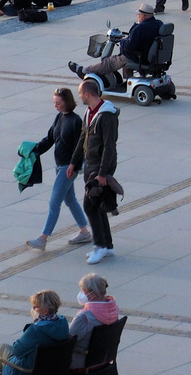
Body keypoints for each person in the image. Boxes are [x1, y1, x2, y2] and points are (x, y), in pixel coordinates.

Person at [26, 88, 92, 251]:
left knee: (54, 202)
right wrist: (34, 150)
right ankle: (85, 232)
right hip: (59, 165)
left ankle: (43, 238)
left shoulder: (76, 121)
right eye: (54, 102)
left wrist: (74, 165)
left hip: (68, 167)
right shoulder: (59, 117)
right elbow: (49, 139)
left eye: (58, 102)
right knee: (69, 199)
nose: (55, 105)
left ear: (67, 102)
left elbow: (81, 146)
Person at [70, 75, 120, 265]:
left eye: (81, 93)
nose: (79, 97)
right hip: (90, 165)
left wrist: (102, 173)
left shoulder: (106, 116)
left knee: (90, 206)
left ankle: (100, 246)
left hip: (99, 168)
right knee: (98, 205)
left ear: (88, 94)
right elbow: (83, 138)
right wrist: (74, 163)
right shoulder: (89, 112)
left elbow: (109, 146)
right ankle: (107, 246)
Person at [69, 6, 163, 87]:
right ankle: (127, 82)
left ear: (145, 16)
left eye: (139, 15)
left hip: (137, 57)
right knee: (120, 60)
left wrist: (122, 41)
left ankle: (84, 70)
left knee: (109, 62)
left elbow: (129, 46)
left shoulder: (141, 28)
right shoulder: (158, 24)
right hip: (150, 56)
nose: (137, 16)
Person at [0, 291, 68, 375]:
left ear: (45, 311)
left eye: (35, 307)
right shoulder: (63, 322)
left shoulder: (35, 330)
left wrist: (35, 323)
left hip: (27, 369)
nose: (33, 309)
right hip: (52, 367)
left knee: (2, 348)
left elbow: (17, 350)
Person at [67, 274, 119, 370]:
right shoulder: (114, 310)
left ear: (93, 296)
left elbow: (68, 341)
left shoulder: (84, 317)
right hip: (104, 357)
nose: (81, 294)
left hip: (82, 360)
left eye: (83, 291)